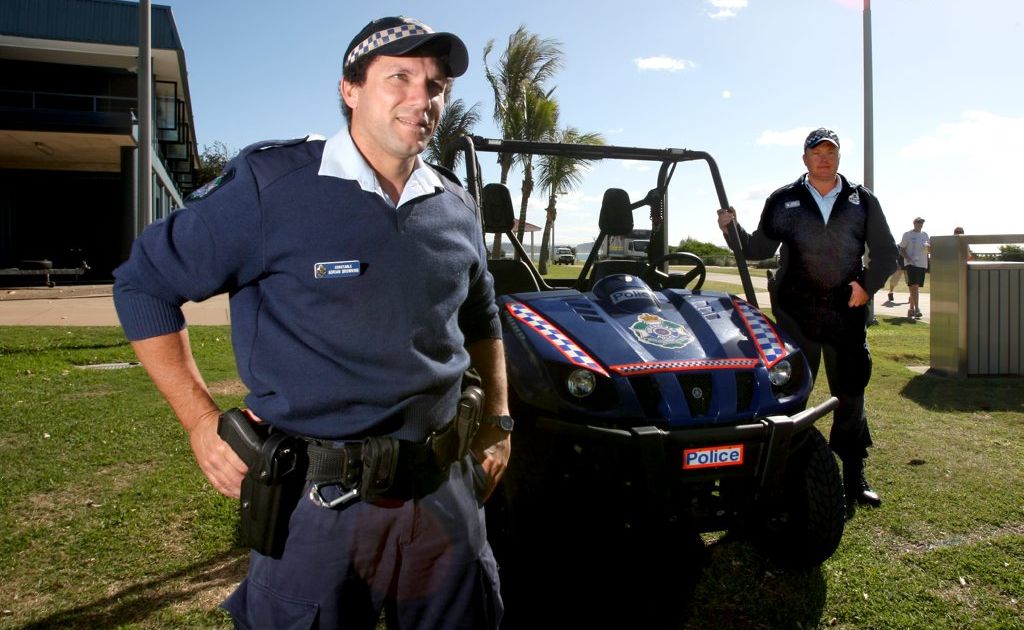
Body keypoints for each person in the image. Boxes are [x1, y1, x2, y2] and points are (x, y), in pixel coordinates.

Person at [113, 16, 510, 629]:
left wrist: (498, 420)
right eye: (398, 77)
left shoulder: (455, 204)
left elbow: (482, 315)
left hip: (445, 491)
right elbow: (144, 285)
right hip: (318, 505)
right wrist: (198, 421)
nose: (420, 99)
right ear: (350, 89)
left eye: (435, 85)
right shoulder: (273, 187)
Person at [717, 127, 896, 516]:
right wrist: (731, 229)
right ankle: (776, 473)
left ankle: (853, 476)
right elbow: (757, 249)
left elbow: (886, 254)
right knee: (787, 393)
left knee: (850, 394)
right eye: (817, 152)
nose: (824, 158)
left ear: (838, 157)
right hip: (795, 314)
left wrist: (867, 287)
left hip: (845, 314)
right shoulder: (784, 200)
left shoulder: (862, 200)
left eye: (831, 151)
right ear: (805, 159)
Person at [899, 217, 930, 319]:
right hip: (911, 264)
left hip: (922, 264)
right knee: (914, 286)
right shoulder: (907, 234)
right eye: (918, 222)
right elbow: (901, 249)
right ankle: (917, 309)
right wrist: (908, 258)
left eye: (921, 223)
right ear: (914, 223)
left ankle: (911, 309)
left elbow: (928, 249)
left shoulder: (925, 235)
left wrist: (929, 249)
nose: (920, 224)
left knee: (914, 287)